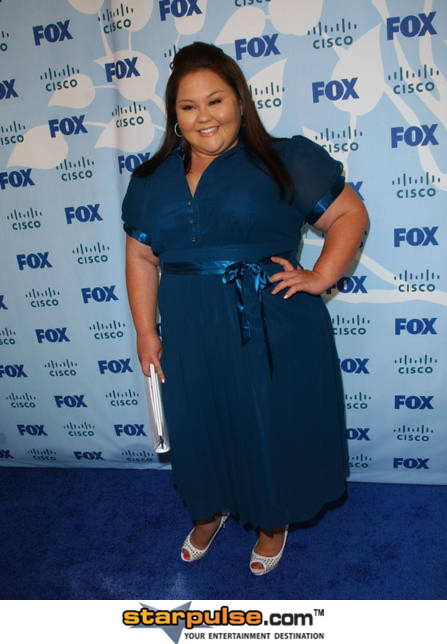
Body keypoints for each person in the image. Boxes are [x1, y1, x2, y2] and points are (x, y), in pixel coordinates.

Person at [122, 42, 368, 576]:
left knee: (266, 423)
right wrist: (146, 330)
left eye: (215, 101)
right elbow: (141, 255)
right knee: (199, 422)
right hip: (189, 328)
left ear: (239, 99)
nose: (204, 117)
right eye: (189, 106)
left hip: (269, 322)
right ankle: (208, 508)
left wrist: (321, 275)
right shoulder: (150, 179)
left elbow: (349, 213)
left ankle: (271, 520)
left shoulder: (284, 158)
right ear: (174, 115)